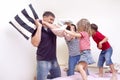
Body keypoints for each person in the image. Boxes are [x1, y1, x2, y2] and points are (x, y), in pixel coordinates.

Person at [31, 11, 61, 80]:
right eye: (50, 19)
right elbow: (35, 44)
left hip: (54, 59)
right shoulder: (36, 29)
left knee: (57, 77)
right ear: (44, 17)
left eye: (53, 20)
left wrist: (44, 22)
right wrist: (39, 27)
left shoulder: (53, 29)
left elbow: (59, 31)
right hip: (42, 60)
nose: (52, 21)